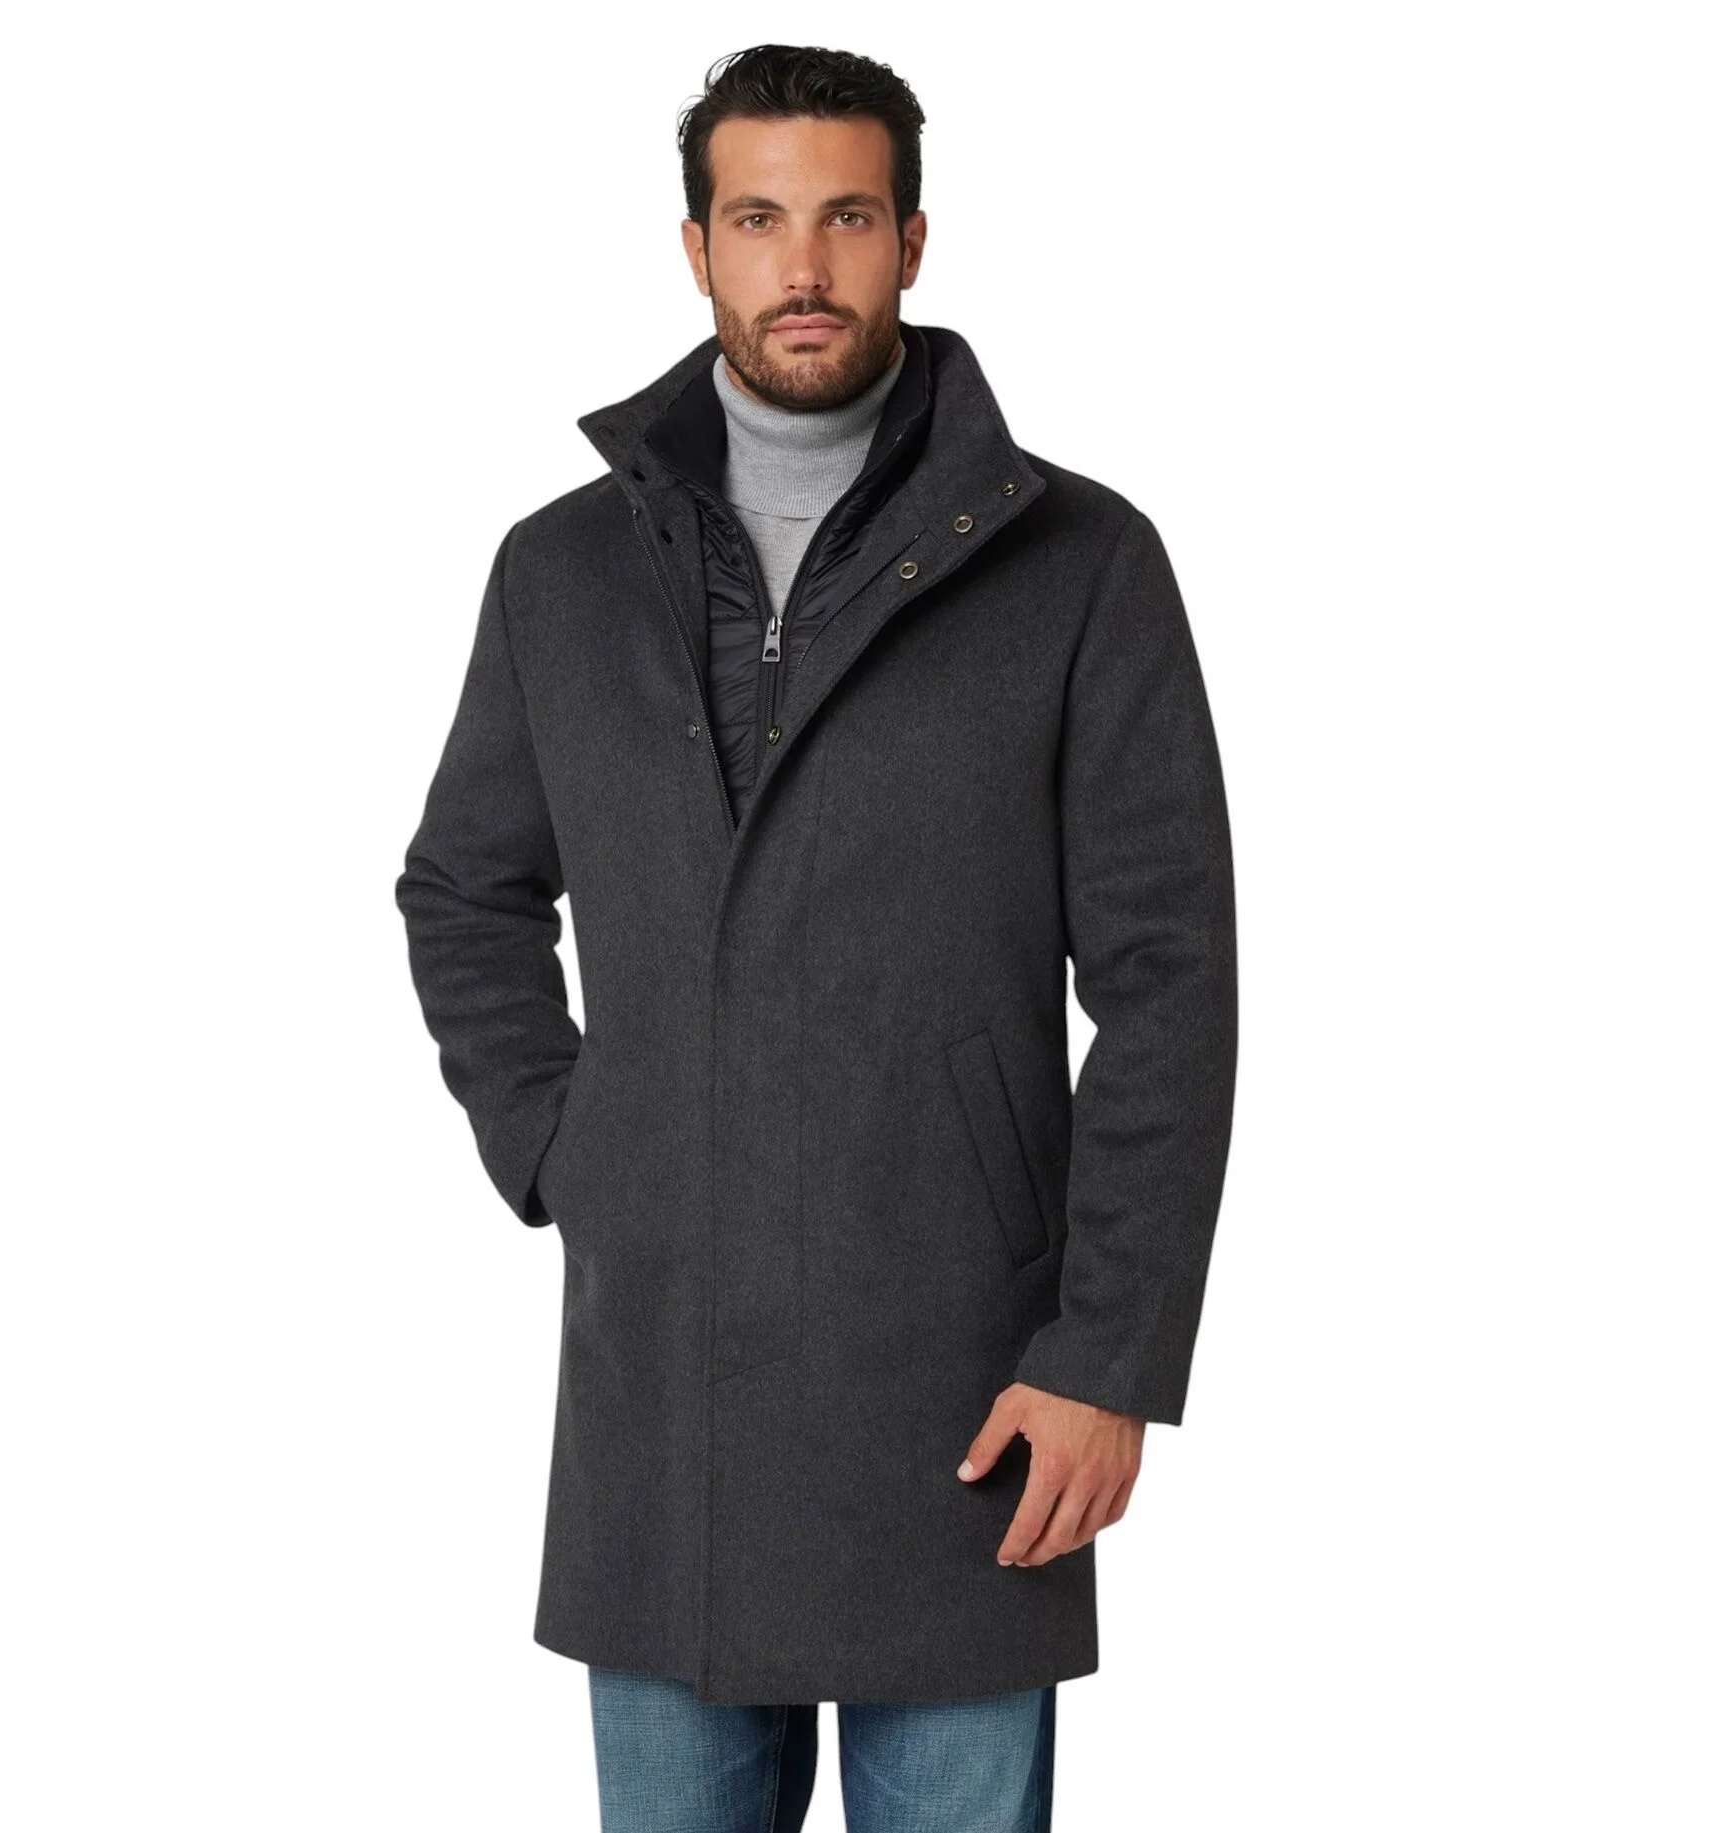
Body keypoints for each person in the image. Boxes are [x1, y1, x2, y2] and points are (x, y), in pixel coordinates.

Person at [394, 40, 1238, 1833]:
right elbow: (465, 887)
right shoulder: (561, 572)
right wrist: (564, 1141)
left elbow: (1172, 980)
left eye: (847, 217)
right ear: (694, 246)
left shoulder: (1081, 564)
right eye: (759, 219)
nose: (804, 266)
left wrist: (1107, 1356)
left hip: (972, 1392)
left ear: (913, 240)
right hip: (665, 1390)